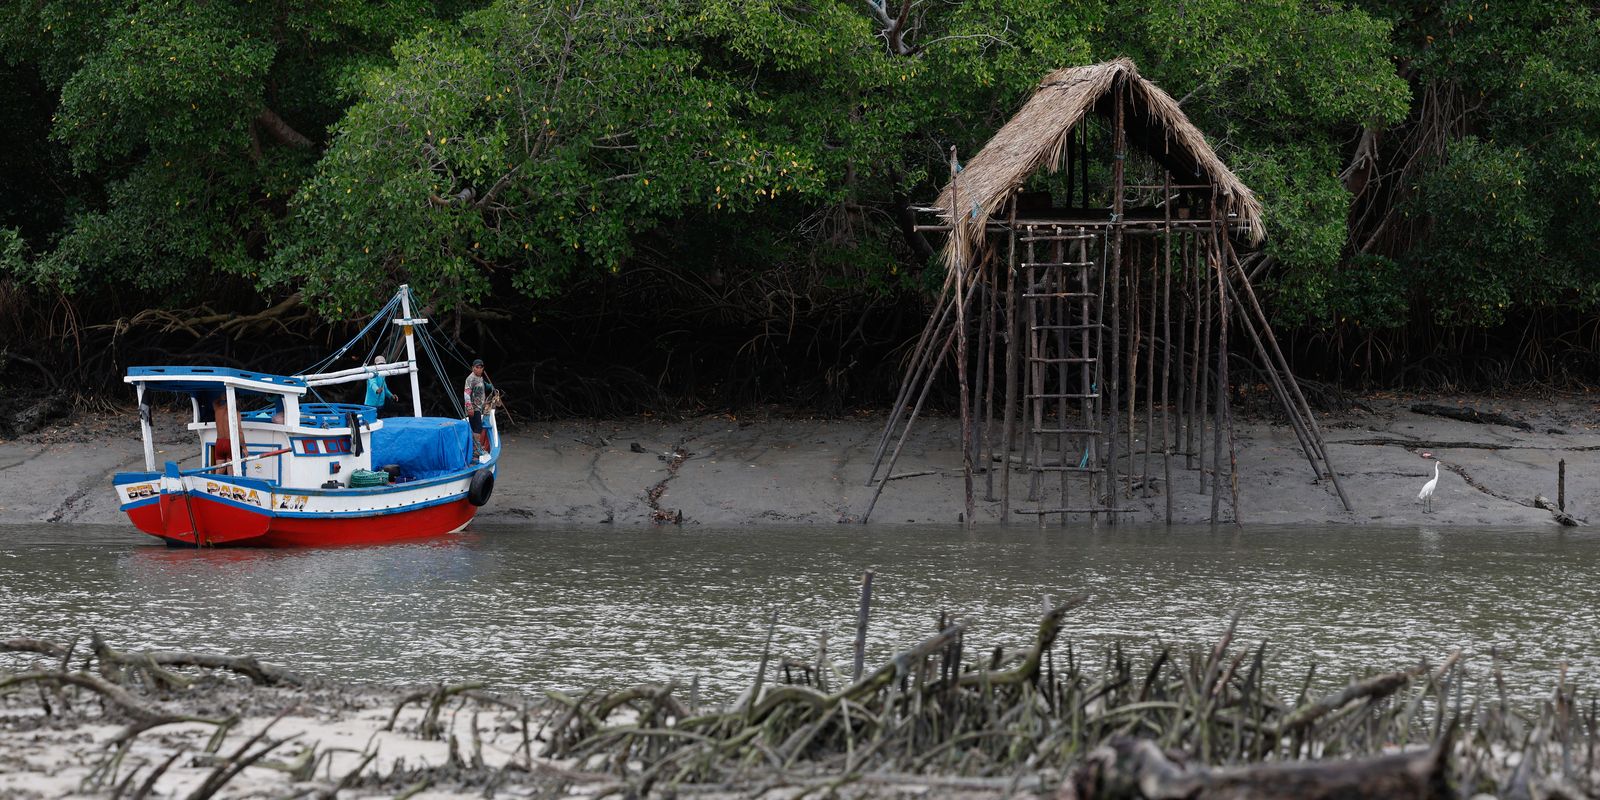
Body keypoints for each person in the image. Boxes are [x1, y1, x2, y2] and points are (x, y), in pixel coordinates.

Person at [463, 358, 496, 457]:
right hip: (473, 407)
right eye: (477, 367)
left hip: (479, 407)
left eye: (481, 367)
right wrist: (469, 407)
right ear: (473, 368)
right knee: (477, 428)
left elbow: (483, 385)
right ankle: (476, 449)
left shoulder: (480, 378)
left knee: (476, 428)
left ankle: (474, 448)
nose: (479, 369)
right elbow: (466, 393)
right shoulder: (470, 379)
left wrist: (490, 387)